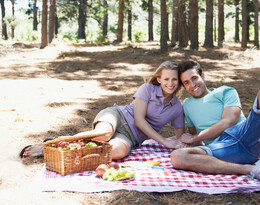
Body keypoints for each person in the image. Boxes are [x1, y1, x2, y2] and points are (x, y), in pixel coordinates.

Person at [170, 60, 260, 187]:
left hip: (246, 134)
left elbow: (228, 121)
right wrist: (189, 144)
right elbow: (196, 139)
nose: (192, 85)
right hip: (222, 149)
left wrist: (195, 137)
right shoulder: (187, 105)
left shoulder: (225, 91)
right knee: (177, 157)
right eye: (186, 82)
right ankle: (251, 169)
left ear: (203, 76)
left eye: (194, 78)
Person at [20, 61, 186, 160]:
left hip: (129, 137)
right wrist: (164, 141)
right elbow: (139, 120)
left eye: (174, 80)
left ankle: (68, 151)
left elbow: (180, 137)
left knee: (117, 151)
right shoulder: (147, 89)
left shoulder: (177, 107)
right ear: (159, 79)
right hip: (118, 117)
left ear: (179, 82)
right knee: (103, 134)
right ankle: (50, 146)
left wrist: (193, 140)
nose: (170, 83)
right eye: (166, 79)